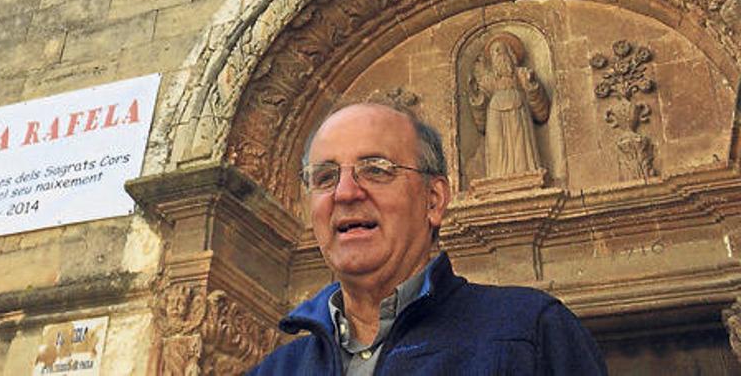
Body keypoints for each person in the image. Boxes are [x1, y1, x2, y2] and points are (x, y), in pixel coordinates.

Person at [249, 102, 607, 375]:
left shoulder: (530, 332)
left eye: (375, 170)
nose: (344, 193)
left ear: (433, 200)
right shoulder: (276, 370)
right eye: (324, 177)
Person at [468, 33, 550, 177]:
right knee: (497, 146)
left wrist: (532, 86)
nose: (499, 54)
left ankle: (526, 173)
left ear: (510, 54)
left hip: (518, 112)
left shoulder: (521, 74)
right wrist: (476, 95)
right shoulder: (489, 81)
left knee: (520, 146)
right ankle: (497, 176)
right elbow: (480, 109)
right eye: (495, 52)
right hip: (495, 114)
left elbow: (540, 109)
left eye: (501, 50)